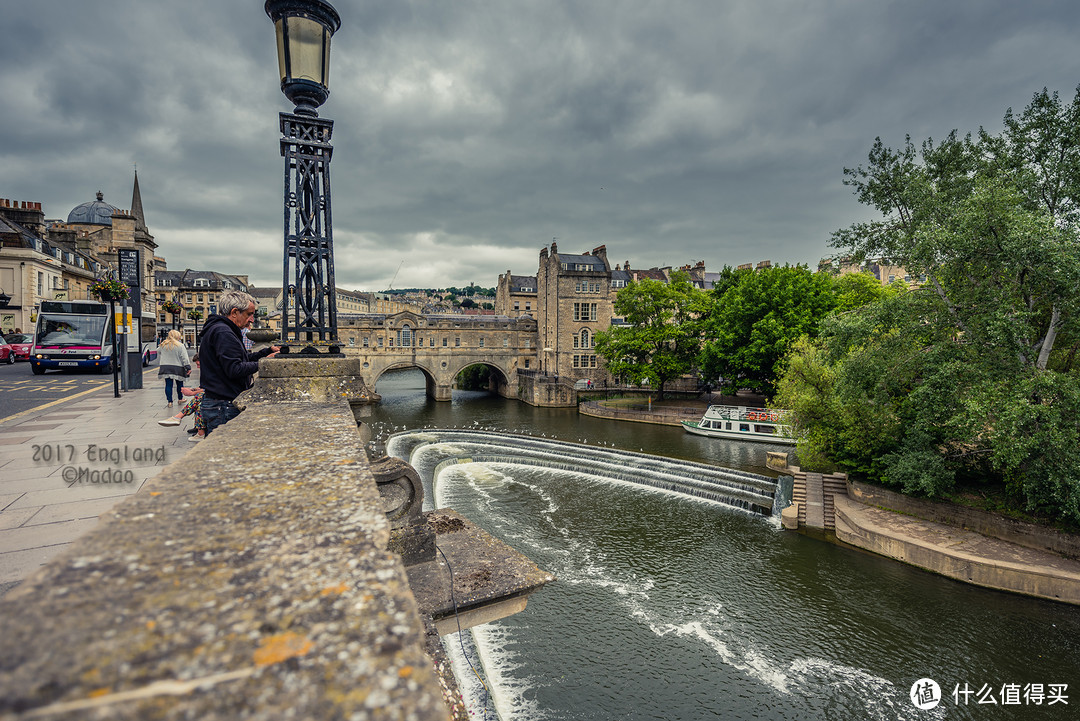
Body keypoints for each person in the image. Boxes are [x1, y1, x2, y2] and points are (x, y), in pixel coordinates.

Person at [199, 290, 279, 436]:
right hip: (223, 405)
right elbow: (235, 369)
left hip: (218, 403)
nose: (252, 320)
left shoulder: (220, 329)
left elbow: (239, 359)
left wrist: (267, 351)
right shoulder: (224, 332)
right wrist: (266, 362)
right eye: (249, 314)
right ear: (234, 312)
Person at [158, 354, 206, 441]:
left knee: (199, 399)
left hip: (167, 369)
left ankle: (179, 417)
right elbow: (206, 387)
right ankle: (198, 429)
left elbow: (209, 389)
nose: (198, 367)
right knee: (199, 400)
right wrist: (193, 389)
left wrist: (192, 392)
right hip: (177, 368)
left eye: (199, 364)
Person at [156, 329, 190, 408]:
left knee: (168, 385)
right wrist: (187, 366)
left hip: (165, 367)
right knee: (180, 384)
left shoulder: (163, 345)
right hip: (177, 367)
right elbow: (184, 358)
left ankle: (170, 402)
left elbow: (158, 351)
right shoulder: (180, 345)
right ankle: (180, 398)